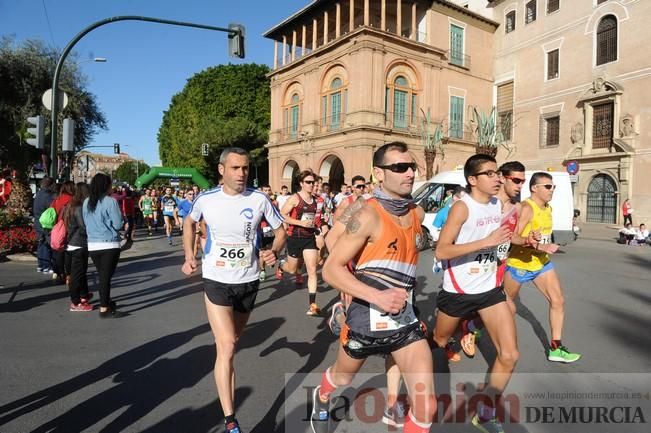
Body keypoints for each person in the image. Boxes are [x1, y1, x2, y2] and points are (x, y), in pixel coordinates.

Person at [311, 142, 435, 433]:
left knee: (426, 406)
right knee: (342, 378)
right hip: (366, 316)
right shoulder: (364, 213)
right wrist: (367, 290)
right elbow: (330, 266)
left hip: (404, 318)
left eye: (412, 167)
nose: (409, 173)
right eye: (399, 168)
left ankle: (394, 402)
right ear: (379, 174)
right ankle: (323, 395)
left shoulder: (417, 213)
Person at [181, 147, 286, 433]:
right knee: (226, 345)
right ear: (221, 170)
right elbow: (189, 223)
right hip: (216, 279)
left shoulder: (260, 199)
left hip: (249, 281)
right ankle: (231, 421)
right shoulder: (207, 199)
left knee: (233, 341)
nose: (242, 174)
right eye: (236, 168)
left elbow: (281, 230)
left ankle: (227, 390)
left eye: (245, 168)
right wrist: (189, 255)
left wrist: (274, 251)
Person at [433, 154, 518, 433]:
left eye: (498, 173)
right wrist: (486, 241)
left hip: (489, 290)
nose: (498, 178)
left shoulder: (496, 204)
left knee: (509, 355)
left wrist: (522, 240)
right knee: (440, 339)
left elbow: (500, 236)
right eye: (490, 174)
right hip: (457, 291)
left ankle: (485, 412)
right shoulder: (461, 207)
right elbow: (442, 250)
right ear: (473, 180)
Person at [505, 172, 581, 363]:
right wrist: (536, 244)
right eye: (548, 186)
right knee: (502, 308)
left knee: (558, 301)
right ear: (534, 188)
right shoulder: (525, 208)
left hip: (541, 264)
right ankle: (473, 326)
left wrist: (542, 246)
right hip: (518, 266)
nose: (552, 190)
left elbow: (543, 235)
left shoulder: (548, 208)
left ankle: (555, 348)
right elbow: (512, 237)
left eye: (553, 187)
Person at [278, 170, 322, 316]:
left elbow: (314, 219)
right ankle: (281, 265)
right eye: (308, 182)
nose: (311, 185)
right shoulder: (295, 198)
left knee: (312, 270)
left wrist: (316, 228)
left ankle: (312, 305)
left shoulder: (315, 200)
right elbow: (282, 215)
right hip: (294, 238)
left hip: (309, 238)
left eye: (313, 182)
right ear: (301, 184)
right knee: (291, 269)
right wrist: (300, 223)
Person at [83, 173, 125, 318]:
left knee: (103, 275)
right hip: (109, 243)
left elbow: (85, 222)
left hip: (93, 245)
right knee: (105, 277)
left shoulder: (86, 202)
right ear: (106, 185)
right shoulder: (110, 202)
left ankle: (106, 301)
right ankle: (104, 308)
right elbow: (118, 224)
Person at [63, 182, 92, 312]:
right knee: (77, 275)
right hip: (79, 243)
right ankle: (76, 302)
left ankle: (83, 295)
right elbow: (83, 227)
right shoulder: (79, 207)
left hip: (71, 243)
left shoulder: (70, 205)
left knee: (79, 273)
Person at [50, 181, 76, 283]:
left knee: (59, 252)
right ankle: (68, 275)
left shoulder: (56, 200)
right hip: (68, 228)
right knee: (68, 253)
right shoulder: (72, 200)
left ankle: (60, 273)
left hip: (57, 229)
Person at [33, 177, 55, 273]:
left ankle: (41, 265)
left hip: (38, 221)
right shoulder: (48, 196)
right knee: (46, 244)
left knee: (41, 243)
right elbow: (52, 209)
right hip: (46, 222)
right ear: (50, 185)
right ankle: (46, 266)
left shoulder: (38, 194)